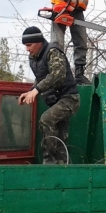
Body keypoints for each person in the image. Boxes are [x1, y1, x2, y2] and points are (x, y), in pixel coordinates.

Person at [18, 26, 80, 158]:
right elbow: (41, 77)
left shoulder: (53, 51)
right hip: (54, 101)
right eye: (25, 45)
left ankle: (49, 160)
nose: (27, 49)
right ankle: (62, 166)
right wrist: (29, 91)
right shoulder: (34, 58)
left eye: (29, 45)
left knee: (46, 120)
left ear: (39, 42)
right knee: (60, 137)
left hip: (69, 98)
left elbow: (58, 75)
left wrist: (36, 90)